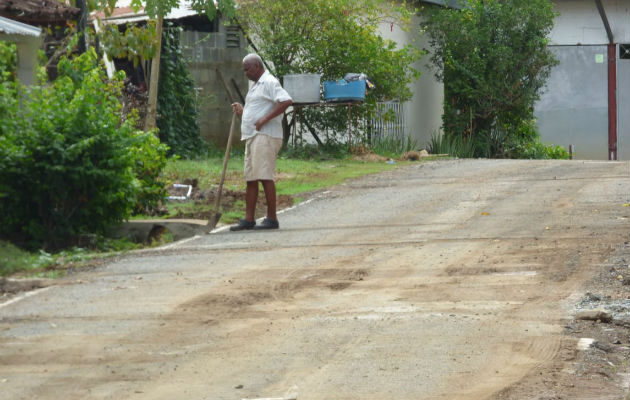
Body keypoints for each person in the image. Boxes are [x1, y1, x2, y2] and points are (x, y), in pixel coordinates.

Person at [229, 54, 293, 231]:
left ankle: (272, 218)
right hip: (252, 136)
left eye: (247, 69)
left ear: (257, 66)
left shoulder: (269, 81)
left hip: (266, 136)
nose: (245, 73)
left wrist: (265, 119)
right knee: (251, 178)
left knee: (264, 176)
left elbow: (286, 101)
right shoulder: (255, 85)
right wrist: (242, 111)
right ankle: (249, 219)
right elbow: (256, 110)